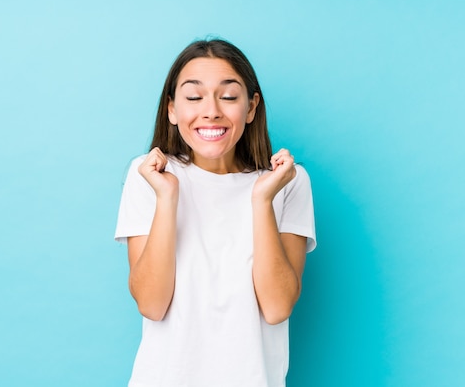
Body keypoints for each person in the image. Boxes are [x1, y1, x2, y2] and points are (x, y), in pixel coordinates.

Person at [115, 38, 316, 387]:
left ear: (251, 107)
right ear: (172, 110)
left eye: (228, 96)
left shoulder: (287, 182)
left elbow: (277, 307)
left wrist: (261, 200)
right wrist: (166, 197)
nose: (211, 111)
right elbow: (151, 304)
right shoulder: (148, 175)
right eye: (194, 97)